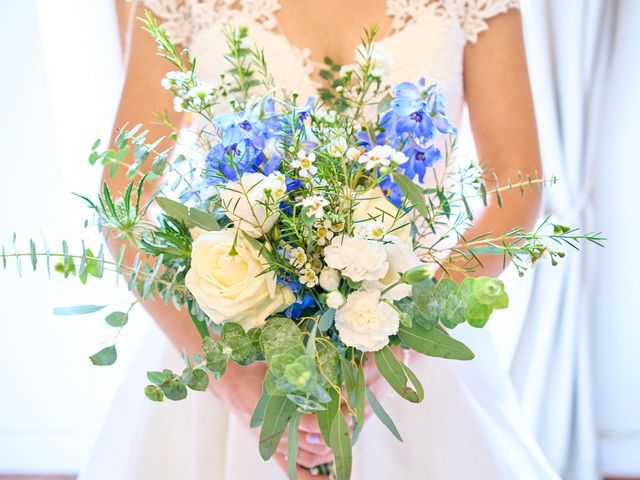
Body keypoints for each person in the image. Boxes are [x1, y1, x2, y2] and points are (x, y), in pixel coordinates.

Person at [80, 0, 558, 478]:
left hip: (414, 354)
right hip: (233, 357)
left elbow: (518, 188)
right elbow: (121, 202)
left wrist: (404, 339)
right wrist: (225, 375)